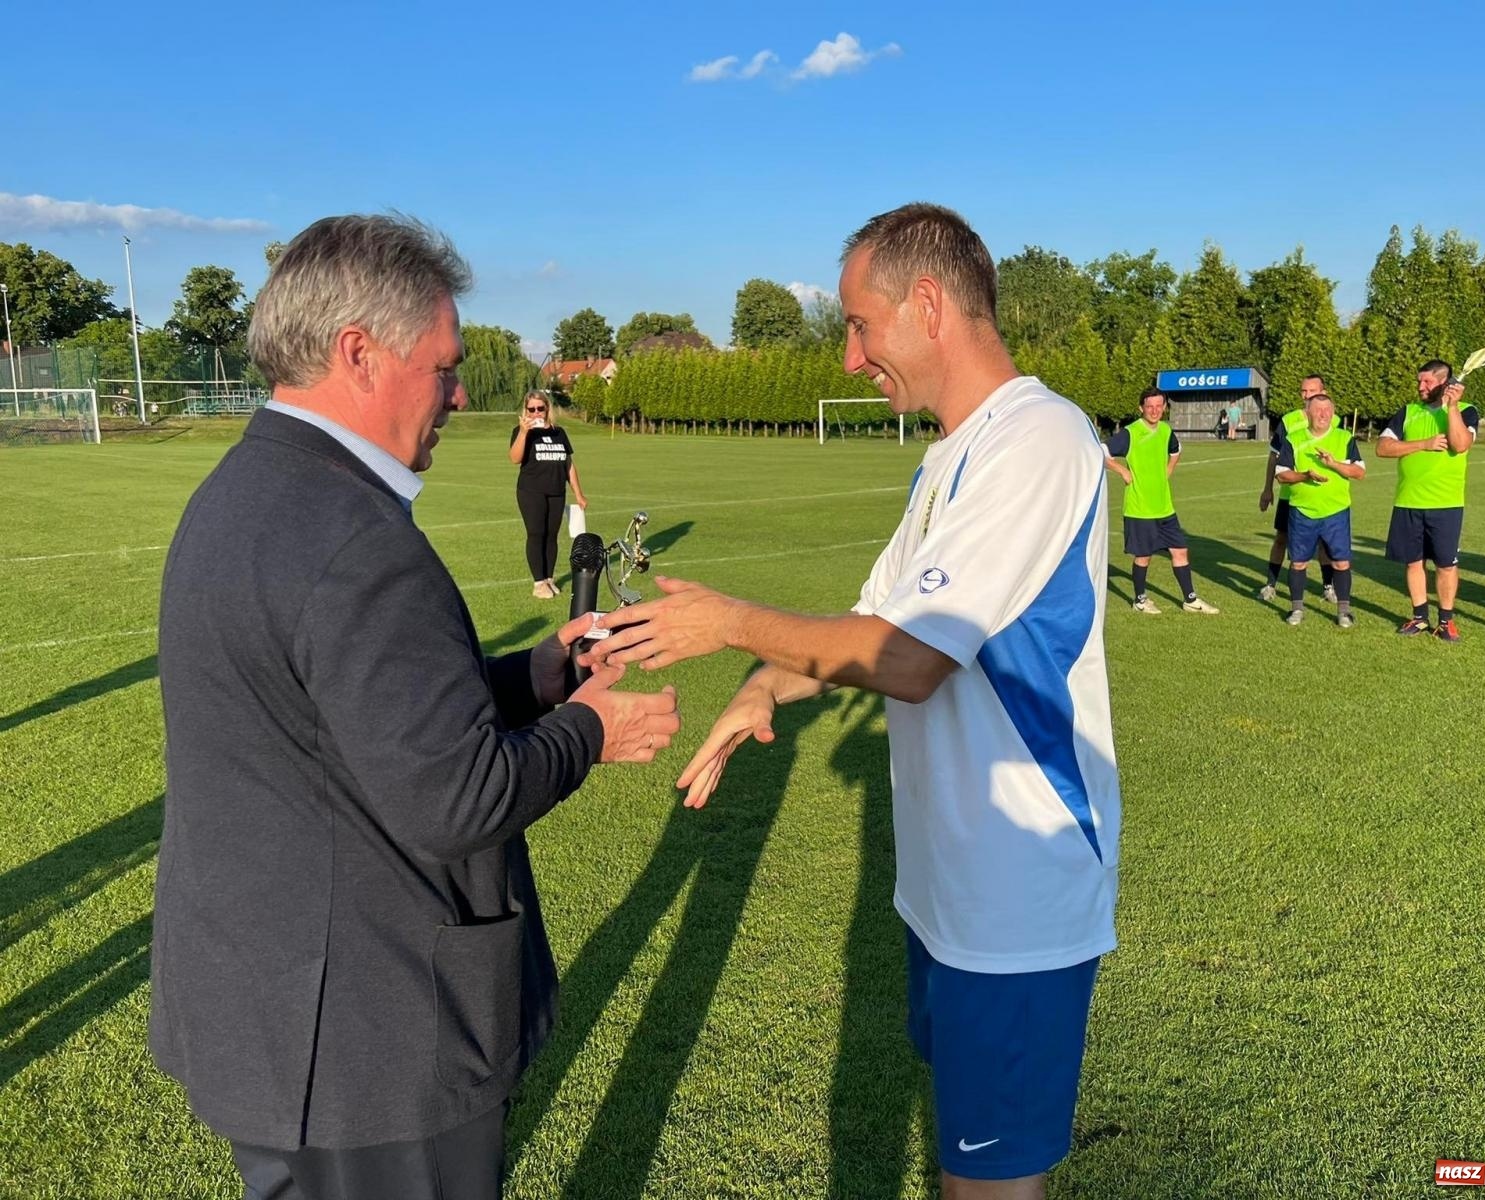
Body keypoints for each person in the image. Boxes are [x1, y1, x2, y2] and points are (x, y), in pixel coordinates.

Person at [587, 203, 1119, 1200]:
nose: (847, 358)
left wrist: (732, 623)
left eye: (857, 325)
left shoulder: (1038, 440)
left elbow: (910, 662)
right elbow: (869, 620)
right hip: (948, 890)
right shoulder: (948, 457)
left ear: (926, 305)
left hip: (1017, 889)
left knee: (992, 1188)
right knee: (966, 1161)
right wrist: (761, 688)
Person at [151, 214, 680, 1200]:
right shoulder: (354, 536)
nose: (458, 392)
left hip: (276, 1015)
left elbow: (346, 719)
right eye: (442, 365)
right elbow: (457, 796)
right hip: (366, 1041)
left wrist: (536, 676)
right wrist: (593, 729)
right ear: (357, 352)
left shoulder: (244, 489)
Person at [1376, 359, 1477, 641]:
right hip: (1408, 502)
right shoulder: (1407, 412)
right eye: (1419, 381)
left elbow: (1460, 444)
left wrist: (1453, 406)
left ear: (1444, 383)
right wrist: (1424, 444)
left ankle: (1446, 622)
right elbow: (1382, 448)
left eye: (1427, 382)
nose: (1420, 387)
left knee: (1445, 564)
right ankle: (1419, 617)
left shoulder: (1467, 411)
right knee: (1413, 562)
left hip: (1446, 504)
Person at [1103, 388, 1220, 615]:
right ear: (1141, 408)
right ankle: (1140, 600)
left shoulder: (1166, 430)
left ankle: (1190, 599)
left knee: (1180, 551)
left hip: (1165, 507)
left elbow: (1176, 450)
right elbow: (1100, 450)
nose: (1155, 410)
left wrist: (1168, 469)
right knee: (1144, 556)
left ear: (1164, 407)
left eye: (1159, 406)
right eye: (1150, 406)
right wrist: (1121, 471)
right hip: (1140, 508)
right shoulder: (1131, 432)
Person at [1271, 394, 1365, 626]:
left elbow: (1359, 472)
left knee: (1341, 562)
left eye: (1327, 410)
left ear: (1333, 413)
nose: (1323, 415)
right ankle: (1297, 610)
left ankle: (1343, 612)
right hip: (1302, 512)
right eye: (1318, 410)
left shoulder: (1344, 438)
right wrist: (1305, 475)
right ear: (1308, 413)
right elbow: (1281, 474)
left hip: (1336, 511)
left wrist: (1333, 464)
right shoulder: (1293, 439)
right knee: (1298, 563)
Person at [1258, 374, 1337, 603]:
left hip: (1322, 494)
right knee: (1281, 539)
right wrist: (1267, 489)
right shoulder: (1289, 420)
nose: (1306, 396)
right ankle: (1270, 585)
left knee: (1324, 542)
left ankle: (1328, 586)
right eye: (1303, 391)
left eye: (1311, 391)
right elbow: (1274, 457)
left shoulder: (1335, 420)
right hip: (1290, 493)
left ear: (1323, 391)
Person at [510, 390, 586, 600]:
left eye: (540, 409)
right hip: (531, 491)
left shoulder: (559, 432)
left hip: (556, 491)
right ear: (525, 410)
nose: (536, 413)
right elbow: (514, 459)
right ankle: (538, 582)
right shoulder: (522, 431)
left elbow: (568, 464)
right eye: (531, 409)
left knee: (552, 536)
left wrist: (578, 494)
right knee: (536, 534)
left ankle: (549, 578)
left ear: (547, 409)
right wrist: (524, 433)